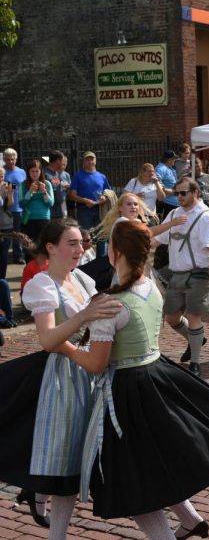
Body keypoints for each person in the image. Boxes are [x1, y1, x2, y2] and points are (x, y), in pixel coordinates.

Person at [52, 219, 209, 540]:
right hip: (156, 379)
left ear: (115, 252)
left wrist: (65, 347)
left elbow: (96, 363)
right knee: (153, 469)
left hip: (126, 392)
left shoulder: (110, 303)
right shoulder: (150, 286)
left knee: (136, 482)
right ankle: (191, 520)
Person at [0, 220, 123, 538]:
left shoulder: (82, 278)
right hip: (63, 378)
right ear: (50, 248)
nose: (80, 249)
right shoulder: (42, 285)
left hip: (91, 373)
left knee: (76, 461)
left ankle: (41, 501)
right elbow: (48, 340)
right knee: (63, 462)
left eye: (81, 243)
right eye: (71, 243)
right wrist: (84, 317)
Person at [154, 177, 209, 376]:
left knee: (194, 316)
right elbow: (156, 240)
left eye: (183, 193)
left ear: (196, 193)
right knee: (171, 317)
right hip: (178, 274)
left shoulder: (205, 217)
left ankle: (195, 363)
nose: (179, 197)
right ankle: (196, 340)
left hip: (200, 274)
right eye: (177, 193)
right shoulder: (174, 213)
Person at [68, 151, 112, 257]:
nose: (90, 161)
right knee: (83, 236)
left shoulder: (102, 176)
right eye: (87, 159)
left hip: (100, 209)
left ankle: (101, 262)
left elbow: (109, 192)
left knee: (101, 236)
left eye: (92, 159)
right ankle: (82, 261)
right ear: (83, 162)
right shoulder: (78, 176)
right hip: (83, 210)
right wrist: (84, 201)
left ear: (95, 161)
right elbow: (72, 195)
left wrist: (104, 198)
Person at [19, 158, 54, 247]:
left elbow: (50, 203)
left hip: (44, 219)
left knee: (43, 246)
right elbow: (21, 204)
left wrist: (44, 192)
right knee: (29, 246)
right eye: (32, 171)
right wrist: (29, 191)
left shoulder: (47, 184)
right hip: (29, 219)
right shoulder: (23, 184)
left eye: (37, 171)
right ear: (28, 172)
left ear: (40, 171)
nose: (34, 174)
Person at [3, 148, 27, 264]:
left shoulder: (22, 171)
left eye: (12, 159)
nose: (10, 161)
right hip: (4, 209)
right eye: (8, 159)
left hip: (19, 207)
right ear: (4, 160)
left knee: (18, 233)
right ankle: (4, 254)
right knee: (5, 233)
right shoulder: (1, 171)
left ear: (16, 159)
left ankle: (18, 256)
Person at [43, 151, 70, 220]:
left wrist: (66, 187)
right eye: (62, 160)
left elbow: (58, 184)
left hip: (59, 210)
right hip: (49, 211)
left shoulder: (57, 173)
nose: (63, 163)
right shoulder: (44, 173)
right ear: (58, 161)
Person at [155, 150, 179, 218]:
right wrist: (170, 191)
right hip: (168, 204)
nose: (175, 160)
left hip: (174, 203)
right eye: (174, 159)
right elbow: (155, 182)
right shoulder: (161, 168)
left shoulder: (169, 168)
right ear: (169, 159)